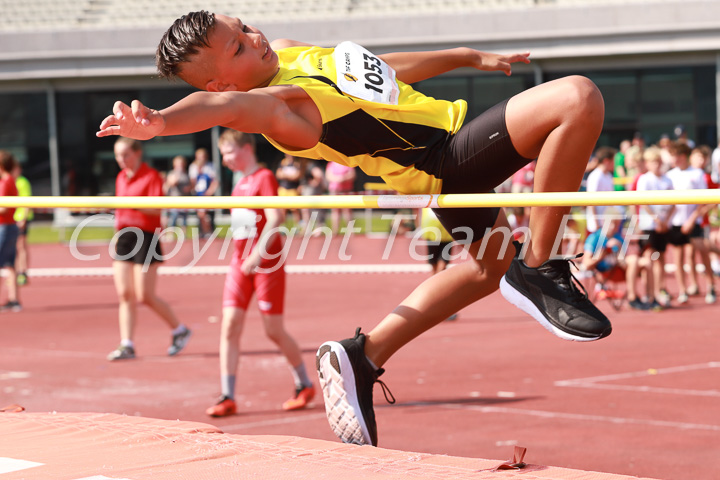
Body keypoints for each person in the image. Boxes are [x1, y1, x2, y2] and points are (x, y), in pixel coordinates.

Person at [96, 11, 611, 445]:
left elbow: (382, 73)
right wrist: (162, 122)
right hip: (444, 160)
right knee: (576, 98)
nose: (255, 38)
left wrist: (464, 56)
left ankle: (362, 356)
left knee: (487, 270)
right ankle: (540, 266)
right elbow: (223, 109)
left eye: (246, 27)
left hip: (443, 167)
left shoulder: (292, 52)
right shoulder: (280, 108)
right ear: (222, 80)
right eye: (237, 48)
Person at [206, 128, 315, 417]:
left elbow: (276, 217)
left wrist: (258, 253)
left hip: (267, 263)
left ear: (245, 149)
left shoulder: (264, 177)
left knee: (273, 330)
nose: (225, 160)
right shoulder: (238, 181)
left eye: (228, 153)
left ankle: (304, 383)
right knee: (229, 325)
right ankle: (227, 394)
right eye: (223, 155)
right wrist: (246, 256)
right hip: (240, 263)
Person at [107, 137, 192, 360]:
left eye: (125, 154)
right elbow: (119, 210)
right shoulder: (120, 177)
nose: (121, 159)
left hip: (146, 236)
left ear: (137, 153)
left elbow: (157, 208)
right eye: (118, 155)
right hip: (124, 235)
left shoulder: (150, 175)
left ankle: (179, 329)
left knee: (145, 295)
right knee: (124, 294)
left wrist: (133, 203)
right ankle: (127, 344)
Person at [665, 142, 714, 305]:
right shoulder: (670, 175)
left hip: (694, 221)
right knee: (678, 257)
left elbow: (703, 200)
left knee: (702, 251)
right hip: (676, 222)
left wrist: (692, 220)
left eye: (675, 156)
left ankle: (711, 286)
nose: (673, 159)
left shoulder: (697, 173)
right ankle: (683, 290)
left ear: (682, 156)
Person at [635, 146, 674, 307]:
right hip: (649, 225)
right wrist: (657, 221)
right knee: (648, 258)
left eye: (658, 161)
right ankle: (648, 293)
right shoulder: (645, 179)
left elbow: (673, 202)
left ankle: (660, 290)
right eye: (653, 162)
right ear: (648, 163)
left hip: (663, 225)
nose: (656, 164)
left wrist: (665, 221)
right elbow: (644, 203)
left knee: (660, 258)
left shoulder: (667, 179)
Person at [418, 208, 457, 320]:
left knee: (439, 268)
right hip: (436, 229)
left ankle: (433, 303)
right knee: (436, 269)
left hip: (440, 230)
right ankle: (435, 303)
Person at [0, 151, 21, 312]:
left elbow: (4, 207)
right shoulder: (10, 181)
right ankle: (14, 299)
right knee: (10, 265)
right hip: (10, 226)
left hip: (5, 227)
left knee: (7, 264)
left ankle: (13, 300)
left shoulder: (6, 182)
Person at [585, 147, 618, 234]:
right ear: (606, 161)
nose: (615, 164)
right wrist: (596, 222)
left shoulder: (608, 176)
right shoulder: (595, 176)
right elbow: (590, 201)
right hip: (597, 224)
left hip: (607, 224)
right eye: (613, 161)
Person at [189, 147, 218, 238]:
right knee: (201, 214)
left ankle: (209, 231)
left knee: (207, 214)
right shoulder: (193, 167)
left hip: (207, 193)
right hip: (198, 194)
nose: (201, 159)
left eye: (203, 156)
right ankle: (204, 231)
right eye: (199, 157)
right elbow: (192, 182)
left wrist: (210, 192)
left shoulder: (210, 166)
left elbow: (215, 181)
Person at [12, 163, 32, 286]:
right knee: (12, 248)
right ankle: (15, 273)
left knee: (20, 246)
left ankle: (22, 272)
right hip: (10, 219)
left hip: (20, 218)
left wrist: (23, 219)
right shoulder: (7, 181)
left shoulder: (22, 182)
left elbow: (27, 201)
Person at [325, 162, 356, 235]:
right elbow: (328, 176)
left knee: (347, 211)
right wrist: (338, 179)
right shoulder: (331, 164)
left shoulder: (347, 163)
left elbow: (353, 175)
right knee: (335, 211)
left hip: (346, 190)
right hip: (334, 190)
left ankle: (350, 231)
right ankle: (334, 231)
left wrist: (343, 178)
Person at [163, 154, 192, 233]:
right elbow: (171, 183)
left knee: (184, 219)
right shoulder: (172, 173)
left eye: (182, 163)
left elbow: (191, 185)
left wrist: (188, 188)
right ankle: (171, 235)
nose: (181, 165)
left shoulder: (186, 174)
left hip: (184, 199)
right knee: (173, 218)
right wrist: (176, 177)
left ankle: (184, 236)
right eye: (179, 164)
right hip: (174, 200)